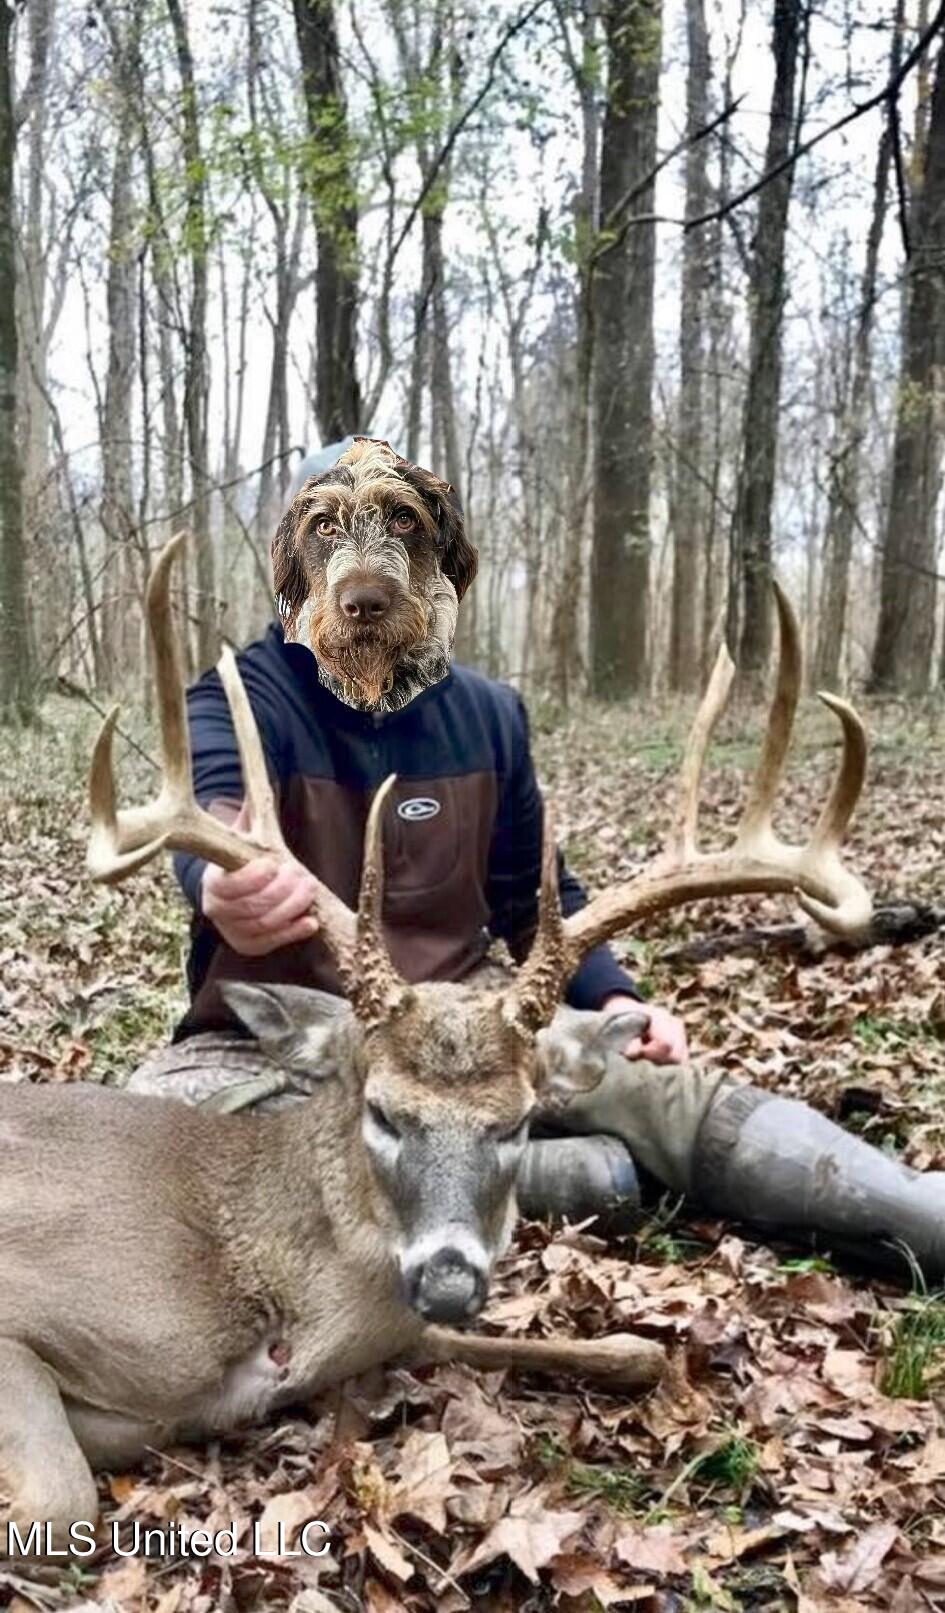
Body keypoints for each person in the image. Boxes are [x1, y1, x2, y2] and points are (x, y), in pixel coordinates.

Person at [128, 438, 945, 1278]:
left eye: (398, 538)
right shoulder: (236, 699)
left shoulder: (486, 715)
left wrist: (620, 994)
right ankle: (573, 1174)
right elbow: (213, 817)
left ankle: (917, 1208)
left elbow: (531, 896)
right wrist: (223, 880)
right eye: (329, 538)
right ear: (294, 567)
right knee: (183, 1142)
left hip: (473, 1020)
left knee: (666, 1096)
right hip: (285, 1037)